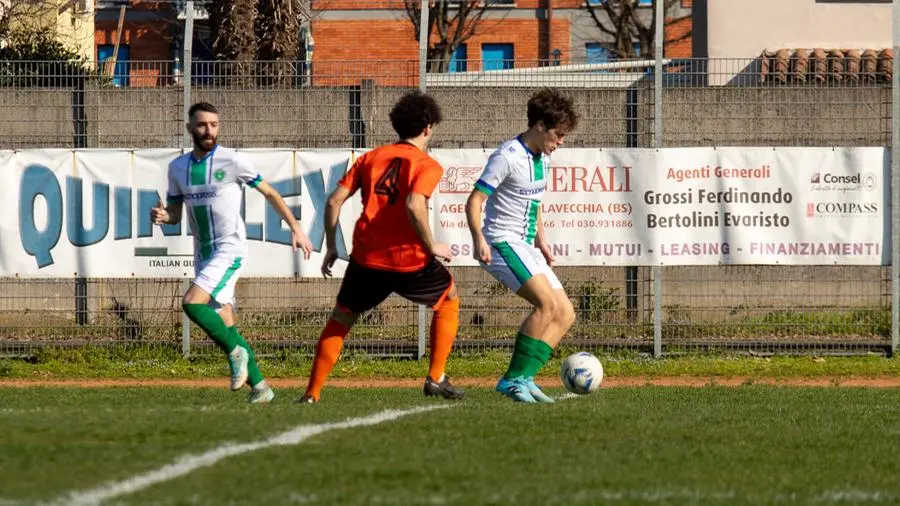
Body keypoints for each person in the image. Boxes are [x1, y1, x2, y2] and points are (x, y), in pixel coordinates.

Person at [298, 90, 464, 404]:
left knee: (342, 318)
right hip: (409, 260)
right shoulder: (427, 165)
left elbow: (333, 202)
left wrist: (333, 247)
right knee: (449, 298)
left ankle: (312, 393)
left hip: (366, 258)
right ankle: (436, 377)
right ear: (427, 127)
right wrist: (431, 247)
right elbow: (415, 205)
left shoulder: (370, 157)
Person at [151, 102, 313, 404]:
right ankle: (261, 387)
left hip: (230, 248)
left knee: (191, 303)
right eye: (201, 125)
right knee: (224, 319)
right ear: (189, 128)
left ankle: (235, 352)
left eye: (214, 124)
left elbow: (271, 193)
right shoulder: (177, 168)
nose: (208, 130)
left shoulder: (232, 160)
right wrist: (163, 217)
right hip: (204, 253)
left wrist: (296, 228)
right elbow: (175, 213)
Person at [465, 87, 579, 403]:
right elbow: (475, 201)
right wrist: (478, 239)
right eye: (558, 134)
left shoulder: (543, 158)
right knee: (547, 306)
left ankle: (526, 378)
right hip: (501, 243)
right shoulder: (507, 157)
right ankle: (512, 380)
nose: (561, 142)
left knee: (566, 313)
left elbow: (535, 202)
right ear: (539, 126)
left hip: (526, 246)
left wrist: (542, 241)